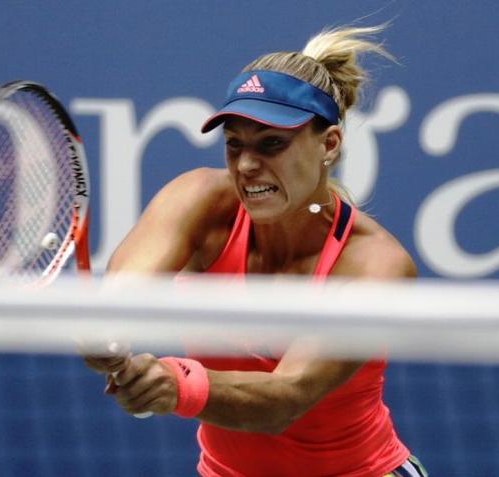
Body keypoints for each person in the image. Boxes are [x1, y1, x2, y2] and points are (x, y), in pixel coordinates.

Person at [83, 25, 428, 477]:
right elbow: (120, 297)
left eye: (272, 144)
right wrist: (104, 331)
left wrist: (176, 384)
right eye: (235, 144)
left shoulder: (374, 264)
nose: (246, 165)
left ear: (329, 145)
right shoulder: (200, 202)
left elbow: (286, 398)